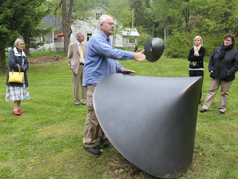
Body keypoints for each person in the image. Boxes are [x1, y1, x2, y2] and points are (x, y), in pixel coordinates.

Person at [82, 14, 146, 155]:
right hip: (95, 82)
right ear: (101, 25)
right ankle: (89, 143)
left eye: (113, 24)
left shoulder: (107, 40)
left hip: (106, 82)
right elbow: (110, 53)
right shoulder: (97, 39)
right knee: (94, 112)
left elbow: (111, 59)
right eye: (110, 23)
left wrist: (120, 69)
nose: (112, 26)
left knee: (105, 111)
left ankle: (104, 139)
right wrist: (133, 55)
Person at [200, 33, 238, 114]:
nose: (226, 42)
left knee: (224, 92)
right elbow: (211, 59)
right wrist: (211, 69)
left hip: (227, 76)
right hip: (216, 74)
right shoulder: (217, 49)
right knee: (211, 91)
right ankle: (205, 107)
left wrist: (229, 73)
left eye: (228, 40)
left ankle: (222, 108)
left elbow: (236, 65)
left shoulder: (235, 52)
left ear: (232, 42)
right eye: (225, 40)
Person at [5, 38, 30, 115]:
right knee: (16, 93)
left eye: (23, 44)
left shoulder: (23, 53)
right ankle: (15, 109)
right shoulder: (12, 52)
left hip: (22, 76)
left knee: (21, 92)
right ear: (16, 44)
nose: (22, 46)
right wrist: (22, 68)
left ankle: (19, 108)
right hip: (15, 76)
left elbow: (26, 62)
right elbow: (11, 63)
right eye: (21, 44)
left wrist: (25, 67)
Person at [67, 31, 87, 106]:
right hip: (76, 67)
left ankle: (84, 100)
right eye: (82, 36)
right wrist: (71, 65)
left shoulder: (85, 45)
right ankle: (77, 101)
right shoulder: (72, 45)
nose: (84, 37)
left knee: (84, 84)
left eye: (84, 36)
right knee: (76, 85)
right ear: (77, 37)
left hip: (84, 66)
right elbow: (69, 57)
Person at [188, 36, 206, 103]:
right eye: (195, 40)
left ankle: (198, 99)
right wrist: (196, 57)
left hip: (199, 69)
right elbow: (189, 58)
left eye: (198, 40)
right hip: (192, 69)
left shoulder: (202, 49)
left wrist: (195, 57)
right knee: (191, 85)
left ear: (200, 41)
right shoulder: (192, 50)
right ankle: (192, 98)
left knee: (198, 85)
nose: (196, 41)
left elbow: (201, 57)